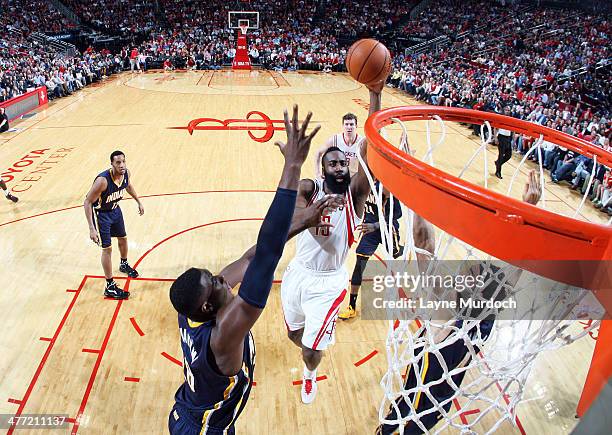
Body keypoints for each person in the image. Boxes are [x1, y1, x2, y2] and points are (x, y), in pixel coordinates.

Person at [167, 106, 341, 435]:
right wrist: (292, 167)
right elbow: (267, 255)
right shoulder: (224, 333)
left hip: (195, 410)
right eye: (215, 282)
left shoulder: (192, 309)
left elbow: (252, 257)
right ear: (208, 306)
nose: (221, 278)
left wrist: (304, 221)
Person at [376, 170, 542, 435]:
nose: (463, 271)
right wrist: (528, 209)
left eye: (470, 273)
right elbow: (515, 264)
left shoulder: (447, 309)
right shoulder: (486, 317)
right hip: (438, 398)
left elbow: (424, 242)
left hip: (419, 401)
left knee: (400, 418)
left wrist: (413, 186)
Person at [282, 83, 383, 404]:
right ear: (323, 167)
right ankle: (316, 337)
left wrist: (375, 95)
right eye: (333, 163)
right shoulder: (309, 188)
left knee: (311, 351)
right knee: (293, 335)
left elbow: (372, 148)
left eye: (344, 164)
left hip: (329, 283)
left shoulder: (355, 195)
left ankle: (310, 373)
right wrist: (311, 214)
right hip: (297, 273)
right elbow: (288, 223)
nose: (340, 166)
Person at [338, 180, 403, 320]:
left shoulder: (387, 188)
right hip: (369, 231)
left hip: (388, 230)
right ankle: (351, 307)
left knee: (396, 256)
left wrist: (375, 225)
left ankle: (400, 297)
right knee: (359, 265)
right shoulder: (363, 186)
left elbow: (397, 215)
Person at [83, 151, 144, 299]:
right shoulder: (103, 181)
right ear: (112, 164)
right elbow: (87, 202)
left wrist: (138, 201)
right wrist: (92, 228)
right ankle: (109, 286)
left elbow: (128, 186)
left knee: (123, 238)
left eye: (123, 161)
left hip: (116, 210)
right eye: (118, 162)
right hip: (102, 215)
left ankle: (123, 264)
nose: (122, 165)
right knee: (107, 249)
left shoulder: (126, 173)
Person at [313, 113, 364, 179]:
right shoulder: (335, 140)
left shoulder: (362, 142)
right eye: (346, 124)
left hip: (354, 179)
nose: (349, 127)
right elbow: (318, 153)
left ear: (356, 126)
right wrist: (317, 173)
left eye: (351, 124)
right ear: (343, 126)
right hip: (337, 178)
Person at [494, 108, 513, 179]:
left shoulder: (511, 119)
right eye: (506, 110)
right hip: (501, 137)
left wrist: (513, 140)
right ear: (504, 111)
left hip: (508, 138)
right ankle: (498, 172)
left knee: (509, 155)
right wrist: (495, 138)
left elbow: (513, 130)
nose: (508, 111)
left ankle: (498, 163)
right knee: (501, 155)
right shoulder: (501, 118)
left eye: (509, 110)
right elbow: (495, 128)